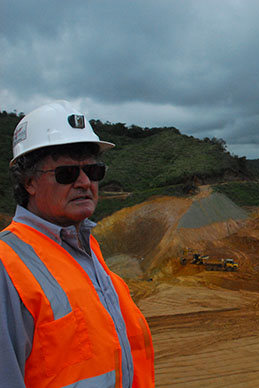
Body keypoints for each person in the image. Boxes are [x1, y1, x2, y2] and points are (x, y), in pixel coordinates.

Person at [0, 101, 155, 387]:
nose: (85, 182)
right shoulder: (7, 265)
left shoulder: (86, 248)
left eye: (93, 171)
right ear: (29, 182)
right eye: (67, 174)